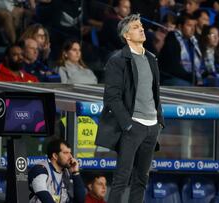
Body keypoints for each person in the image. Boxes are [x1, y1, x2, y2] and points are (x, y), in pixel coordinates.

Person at [95, 14, 165, 203]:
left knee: (142, 179)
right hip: (133, 126)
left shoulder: (151, 58)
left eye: (141, 25)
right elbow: (111, 97)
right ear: (126, 35)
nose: (141, 29)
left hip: (152, 126)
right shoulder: (117, 60)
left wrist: (159, 121)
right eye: (136, 27)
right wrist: (128, 124)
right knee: (121, 179)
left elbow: (154, 92)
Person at [28, 139, 85, 203]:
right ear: (55, 156)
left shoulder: (66, 173)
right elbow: (44, 197)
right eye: (66, 153)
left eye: (70, 153)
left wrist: (75, 172)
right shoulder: (40, 170)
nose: (71, 157)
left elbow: (80, 200)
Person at [159, 13, 203, 86]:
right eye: (189, 25)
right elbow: (173, 67)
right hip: (171, 77)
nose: (193, 29)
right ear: (180, 26)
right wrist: (191, 77)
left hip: (189, 77)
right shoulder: (172, 39)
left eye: (194, 26)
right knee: (186, 85)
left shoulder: (193, 42)